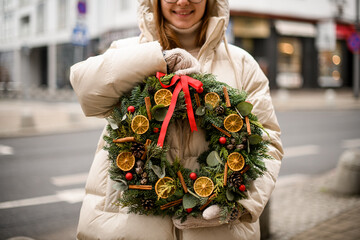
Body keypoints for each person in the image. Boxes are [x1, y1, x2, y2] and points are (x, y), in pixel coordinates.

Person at [70, 0, 283, 239]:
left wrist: (242, 203)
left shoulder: (242, 64)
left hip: (217, 232)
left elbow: (267, 140)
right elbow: (85, 89)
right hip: (127, 225)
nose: (182, 2)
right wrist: (156, 59)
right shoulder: (126, 50)